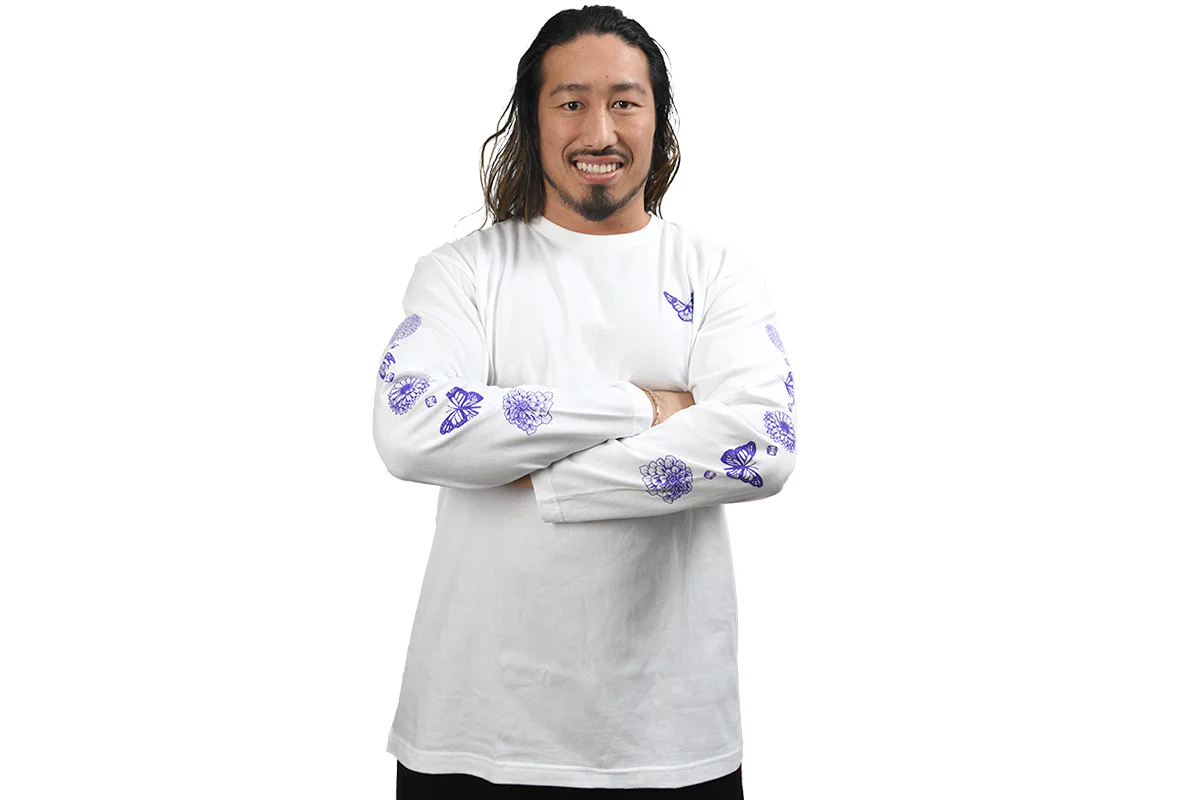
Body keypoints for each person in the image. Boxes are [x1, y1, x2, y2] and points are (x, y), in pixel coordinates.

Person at [374, 5, 796, 797]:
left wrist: (539, 477)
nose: (599, 131)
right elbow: (410, 430)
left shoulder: (717, 275)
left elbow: (762, 448)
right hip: (473, 735)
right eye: (571, 102)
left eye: (624, 102)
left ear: (658, 120)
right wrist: (642, 409)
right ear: (533, 120)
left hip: (670, 737)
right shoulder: (463, 273)